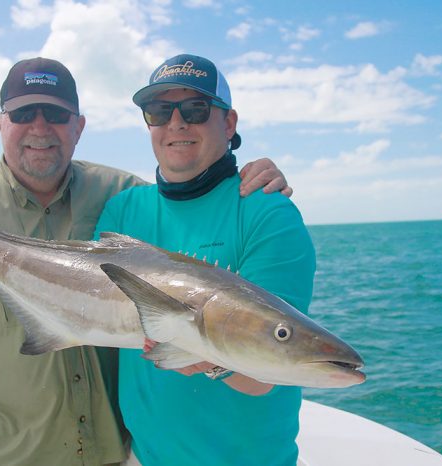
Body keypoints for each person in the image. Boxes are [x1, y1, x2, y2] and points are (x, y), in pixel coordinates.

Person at [0, 56, 291, 466]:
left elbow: (185, 196)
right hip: (1, 454)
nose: (40, 128)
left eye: (57, 115)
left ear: (78, 127)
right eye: (24, 113)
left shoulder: (119, 194)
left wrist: (248, 175)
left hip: (109, 454)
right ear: (0, 123)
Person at [92, 54, 316, 465]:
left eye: (195, 109)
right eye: (159, 111)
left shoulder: (268, 213)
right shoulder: (121, 212)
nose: (176, 123)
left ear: (229, 124)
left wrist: (204, 357)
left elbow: (271, 369)